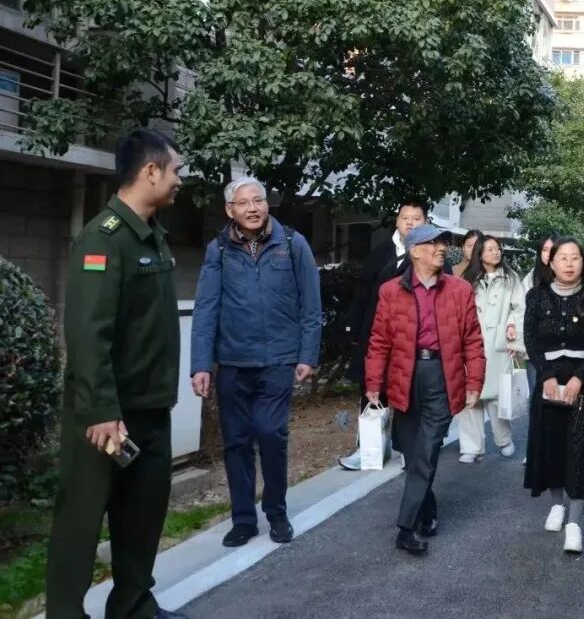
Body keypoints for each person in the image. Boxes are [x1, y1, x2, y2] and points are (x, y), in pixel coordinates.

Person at [46, 128, 188, 619]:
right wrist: (102, 410)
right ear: (150, 171)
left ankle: (132, 606)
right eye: (175, 171)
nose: (179, 180)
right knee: (82, 521)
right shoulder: (103, 239)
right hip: (106, 415)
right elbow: (89, 334)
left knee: (142, 517)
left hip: (150, 410)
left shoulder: (152, 235)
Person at [190, 177, 322, 547]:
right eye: (243, 202)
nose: (252, 208)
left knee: (271, 433)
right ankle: (244, 519)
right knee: (236, 442)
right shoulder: (218, 249)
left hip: (278, 359)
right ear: (229, 210)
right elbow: (206, 308)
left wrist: (307, 355)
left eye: (258, 200)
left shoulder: (292, 243)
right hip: (233, 362)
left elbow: (311, 305)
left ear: (267, 204)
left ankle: (276, 512)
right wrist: (201, 364)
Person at [365, 225, 486, 555]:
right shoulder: (391, 291)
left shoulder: (460, 290)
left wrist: (474, 381)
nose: (441, 248)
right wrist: (373, 382)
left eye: (442, 243)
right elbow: (379, 341)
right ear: (414, 251)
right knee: (412, 453)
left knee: (428, 449)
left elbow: (473, 341)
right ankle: (427, 510)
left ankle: (406, 528)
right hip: (403, 376)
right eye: (432, 243)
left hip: (442, 376)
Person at [340, 199, 450, 470]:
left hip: (416, 340)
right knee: (372, 389)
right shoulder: (381, 252)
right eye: (405, 218)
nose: (410, 222)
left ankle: (407, 449)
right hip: (378, 332)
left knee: (410, 392)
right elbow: (363, 293)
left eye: (416, 218)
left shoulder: (436, 255)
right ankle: (369, 449)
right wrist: (353, 327)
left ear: (426, 222)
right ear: (397, 221)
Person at [524, 238, 584, 553]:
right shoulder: (536, 296)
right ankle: (556, 503)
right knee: (552, 445)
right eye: (562, 257)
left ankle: (574, 523)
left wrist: (579, 378)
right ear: (551, 262)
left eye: (575, 257)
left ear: (583, 262)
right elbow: (531, 338)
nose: (569, 263)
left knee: (580, 447)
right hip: (548, 380)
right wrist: (546, 374)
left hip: (583, 381)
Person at [458, 235, 526, 463]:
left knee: (497, 396)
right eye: (490, 249)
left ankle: (503, 439)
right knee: (470, 397)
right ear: (479, 253)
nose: (496, 252)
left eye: (497, 249)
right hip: (471, 343)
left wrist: (513, 332)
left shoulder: (510, 278)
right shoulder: (468, 279)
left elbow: (520, 308)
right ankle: (472, 447)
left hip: (499, 343)